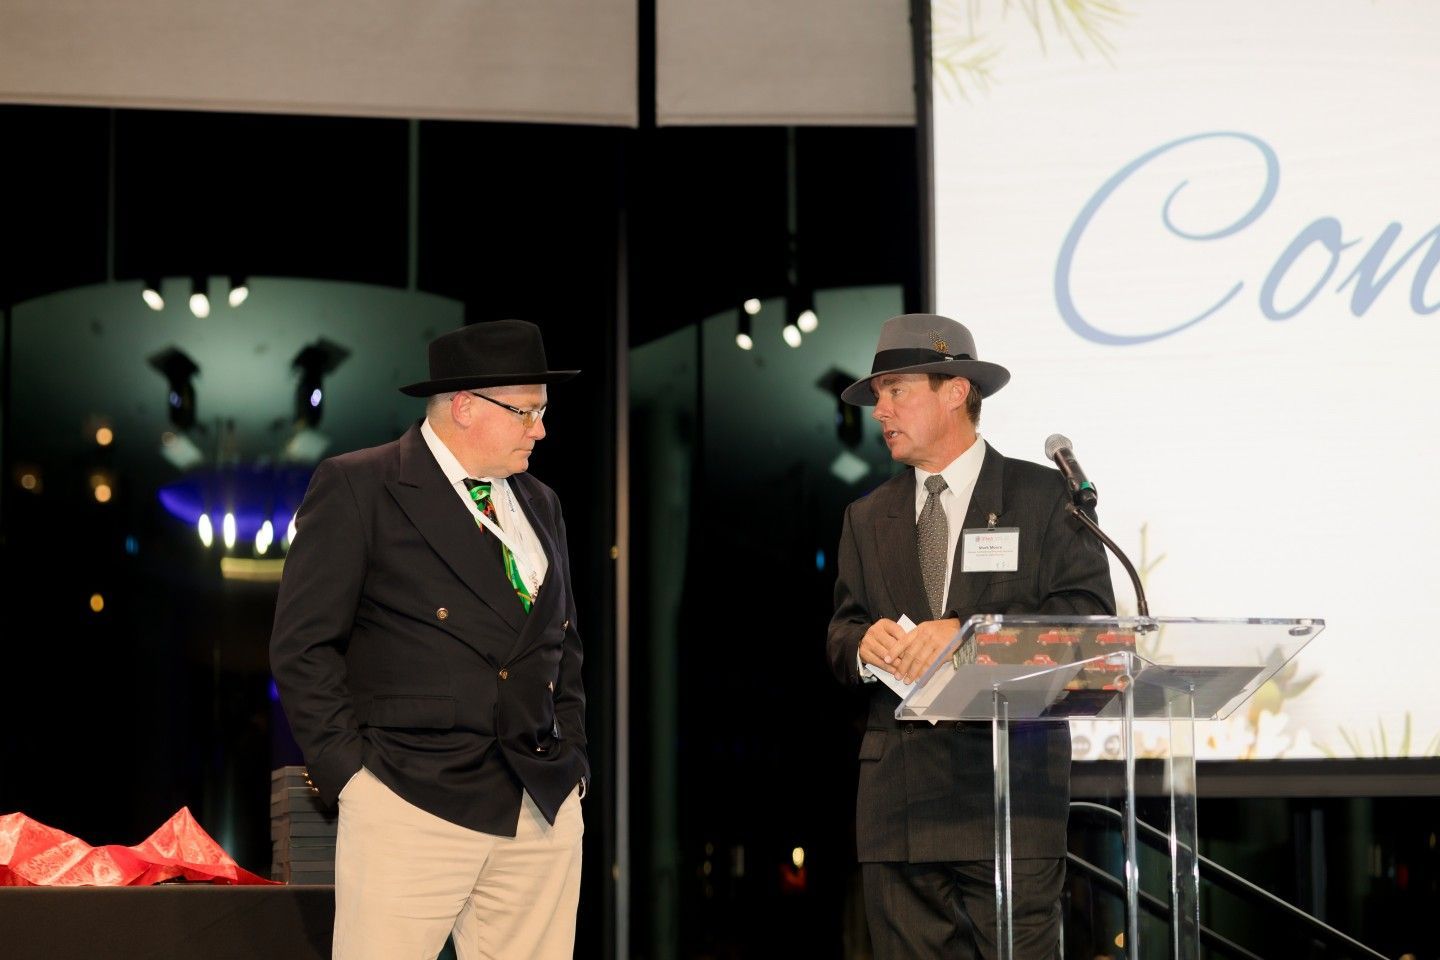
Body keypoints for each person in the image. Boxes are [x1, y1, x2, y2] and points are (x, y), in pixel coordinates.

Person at [271, 319, 589, 960]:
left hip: (539, 803)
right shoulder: (362, 486)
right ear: (465, 407)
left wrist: (573, 762)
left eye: (543, 411)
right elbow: (302, 649)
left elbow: (564, 648)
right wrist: (353, 782)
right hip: (406, 800)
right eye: (527, 411)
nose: (541, 429)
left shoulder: (541, 503)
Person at [826, 313, 1115, 959]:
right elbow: (842, 629)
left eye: (897, 390)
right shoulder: (868, 515)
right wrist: (862, 647)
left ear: (955, 390)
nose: (881, 410)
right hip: (899, 804)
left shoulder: (1045, 497)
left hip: (1010, 797)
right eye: (877, 396)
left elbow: (1088, 620)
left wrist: (970, 634)